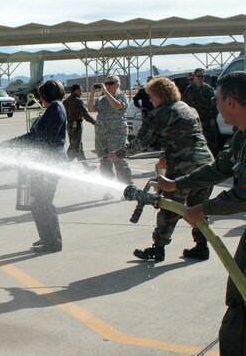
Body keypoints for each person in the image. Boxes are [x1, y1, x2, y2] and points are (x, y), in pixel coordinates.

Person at [152, 71, 246, 356]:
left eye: (217, 100)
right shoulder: (241, 135)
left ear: (230, 101)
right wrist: (176, 184)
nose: (215, 106)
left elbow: (244, 192)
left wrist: (204, 208)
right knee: (240, 294)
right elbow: (220, 168)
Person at [106, 76, 214, 262]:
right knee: (199, 207)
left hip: (183, 165)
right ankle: (201, 246)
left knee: (169, 206)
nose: (150, 100)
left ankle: (158, 249)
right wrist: (169, 152)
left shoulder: (158, 114)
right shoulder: (189, 109)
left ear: (160, 95)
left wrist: (118, 154)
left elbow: (140, 143)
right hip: (205, 162)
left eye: (151, 96)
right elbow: (192, 135)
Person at [16, 80, 67, 253]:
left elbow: (44, 138)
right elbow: (36, 136)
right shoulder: (55, 107)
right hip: (44, 162)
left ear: (45, 95)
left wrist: (22, 146)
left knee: (43, 203)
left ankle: (53, 243)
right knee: (38, 202)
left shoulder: (55, 108)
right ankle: (47, 238)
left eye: (40, 94)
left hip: (50, 164)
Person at [88, 75, 133, 199]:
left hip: (116, 135)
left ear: (118, 85)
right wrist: (92, 93)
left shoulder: (121, 96)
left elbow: (117, 106)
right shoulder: (102, 99)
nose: (107, 85)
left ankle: (128, 189)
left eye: (110, 83)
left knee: (119, 161)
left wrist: (106, 91)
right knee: (104, 163)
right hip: (101, 135)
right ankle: (110, 189)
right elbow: (91, 109)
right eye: (106, 83)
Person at [183, 68, 222, 157]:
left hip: (208, 123)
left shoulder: (208, 89)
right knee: (196, 146)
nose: (200, 78)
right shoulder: (188, 90)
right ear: (195, 76)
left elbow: (215, 104)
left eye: (202, 76)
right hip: (195, 123)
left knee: (212, 147)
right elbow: (185, 107)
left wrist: (213, 117)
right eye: (198, 76)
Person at [63, 84, 97, 171]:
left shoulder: (66, 101)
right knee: (75, 148)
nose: (82, 92)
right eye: (81, 90)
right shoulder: (78, 101)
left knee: (79, 147)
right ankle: (63, 165)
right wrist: (95, 122)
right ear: (76, 91)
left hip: (69, 125)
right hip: (76, 126)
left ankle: (86, 167)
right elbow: (85, 114)